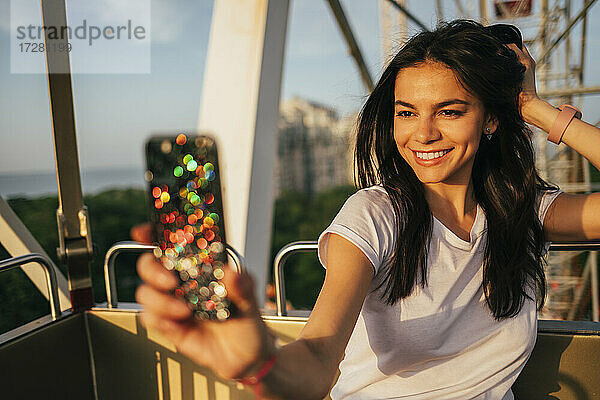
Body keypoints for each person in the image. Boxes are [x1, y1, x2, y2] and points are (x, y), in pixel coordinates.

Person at [133, 20, 600, 399]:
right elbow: (319, 360)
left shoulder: (522, 210)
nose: (423, 134)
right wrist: (262, 365)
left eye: (450, 111)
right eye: (406, 112)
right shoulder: (375, 215)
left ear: (491, 119)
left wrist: (531, 106)